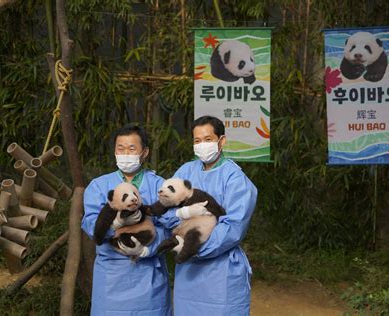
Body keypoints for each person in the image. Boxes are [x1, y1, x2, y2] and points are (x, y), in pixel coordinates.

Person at [163, 115, 258, 315]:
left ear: (221, 141)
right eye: (197, 141)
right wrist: (183, 213)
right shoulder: (186, 171)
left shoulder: (235, 179)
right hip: (187, 275)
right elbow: (166, 209)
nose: (202, 145)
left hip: (220, 273)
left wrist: (192, 246)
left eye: (208, 140)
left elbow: (232, 227)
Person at [81, 124, 172, 316]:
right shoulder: (98, 186)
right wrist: (115, 224)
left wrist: (147, 249)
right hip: (111, 278)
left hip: (148, 278)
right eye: (120, 149)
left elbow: (171, 227)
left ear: (144, 152)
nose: (125, 154)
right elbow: (90, 223)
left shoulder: (160, 185)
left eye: (132, 149)